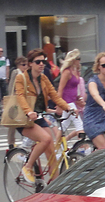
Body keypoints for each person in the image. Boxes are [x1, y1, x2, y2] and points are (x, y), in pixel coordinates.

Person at [14, 49, 72, 184]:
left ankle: (55, 183)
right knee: (45, 139)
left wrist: (68, 107)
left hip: (39, 117)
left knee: (50, 149)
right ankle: (27, 167)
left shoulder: (44, 78)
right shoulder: (21, 78)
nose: (41, 64)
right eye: (38, 62)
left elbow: (55, 96)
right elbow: (20, 97)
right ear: (30, 64)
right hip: (24, 118)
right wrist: (29, 111)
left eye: (43, 62)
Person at [57, 49, 85, 141]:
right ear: (73, 59)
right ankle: (84, 148)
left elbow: (74, 88)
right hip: (67, 102)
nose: (79, 60)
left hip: (72, 101)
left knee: (63, 126)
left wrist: (78, 97)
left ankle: (56, 148)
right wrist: (59, 105)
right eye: (78, 58)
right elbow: (60, 89)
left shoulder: (76, 71)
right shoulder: (67, 72)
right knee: (80, 125)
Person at [6, 56, 29, 149]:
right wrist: (11, 98)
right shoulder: (16, 72)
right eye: (23, 65)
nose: (25, 66)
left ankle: (26, 139)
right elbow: (11, 87)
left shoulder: (27, 74)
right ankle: (11, 142)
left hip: (24, 99)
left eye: (26, 65)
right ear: (18, 65)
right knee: (13, 122)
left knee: (24, 120)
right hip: (15, 99)